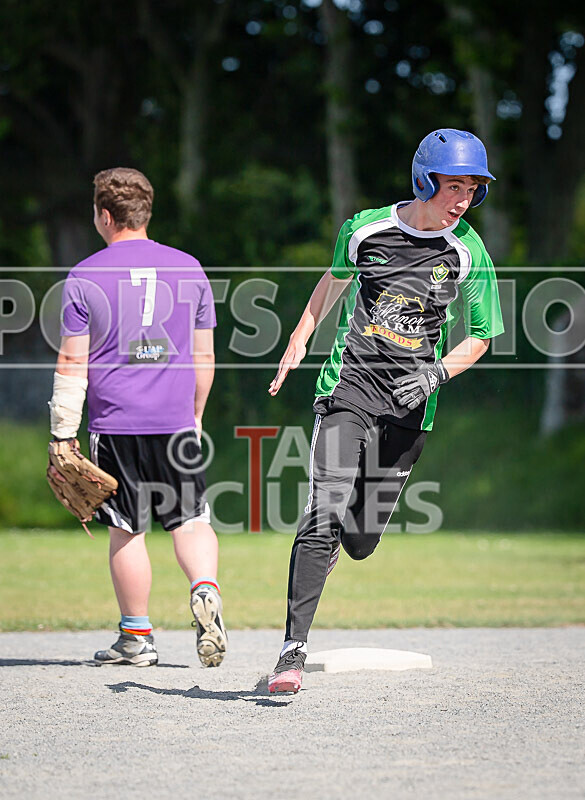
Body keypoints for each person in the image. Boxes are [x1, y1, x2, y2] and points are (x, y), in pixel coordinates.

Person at [267, 129, 504, 693]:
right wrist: (302, 334)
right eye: (453, 186)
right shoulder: (367, 228)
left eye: (472, 188)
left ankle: (338, 544)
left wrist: (436, 372)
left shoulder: (469, 252)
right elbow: (334, 279)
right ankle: (291, 653)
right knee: (322, 511)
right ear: (425, 181)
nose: (462, 198)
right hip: (349, 387)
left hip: (412, 404)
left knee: (360, 541)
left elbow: (481, 336)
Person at [48, 167, 227, 667]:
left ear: (105, 216)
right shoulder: (189, 267)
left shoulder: (84, 275)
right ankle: (205, 588)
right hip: (175, 421)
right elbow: (204, 358)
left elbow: (71, 361)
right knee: (190, 521)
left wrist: (63, 428)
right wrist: (194, 415)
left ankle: (136, 638)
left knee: (127, 530)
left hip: (115, 423)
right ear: (146, 212)